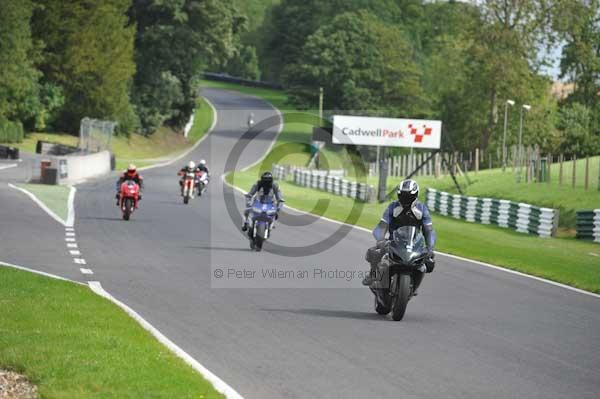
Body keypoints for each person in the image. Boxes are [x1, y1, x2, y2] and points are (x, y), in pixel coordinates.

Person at [362, 179, 436, 293]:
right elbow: (381, 226)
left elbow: (429, 230)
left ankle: (413, 283)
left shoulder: (422, 209)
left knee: (429, 261)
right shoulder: (393, 207)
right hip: (394, 242)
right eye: (402, 195)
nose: (405, 199)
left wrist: (430, 247)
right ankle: (373, 274)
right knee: (374, 252)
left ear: (415, 195)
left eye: (408, 196)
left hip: (414, 243)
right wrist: (380, 240)